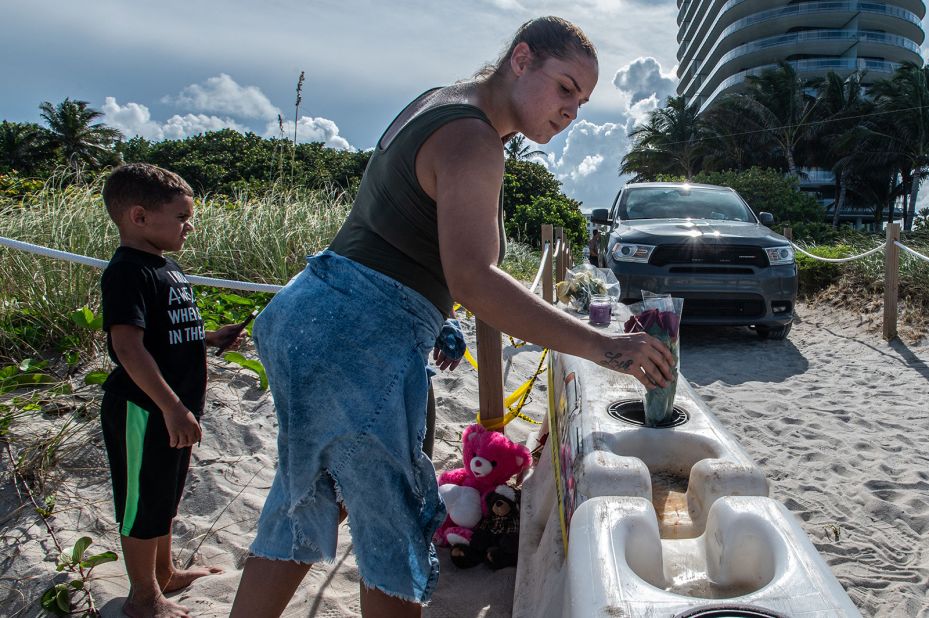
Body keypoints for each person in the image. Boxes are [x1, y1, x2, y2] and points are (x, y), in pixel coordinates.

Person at [231, 16, 675, 618]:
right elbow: (474, 278)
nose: (572, 111)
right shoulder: (474, 139)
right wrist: (604, 346)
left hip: (313, 312)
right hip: (359, 333)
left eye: (584, 100)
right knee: (394, 532)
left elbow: (421, 247)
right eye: (565, 87)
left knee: (302, 499)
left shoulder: (438, 102)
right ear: (521, 59)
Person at [100, 163, 245, 618]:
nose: (189, 226)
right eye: (181, 217)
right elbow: (127, 346)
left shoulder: (167, 267)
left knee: (165, 493)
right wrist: (171, 406)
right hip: (144, 409)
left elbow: (161, 332)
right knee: (141, 501)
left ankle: (164, 575)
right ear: (139, 217)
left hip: (173, 409)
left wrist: (209, 337)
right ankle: (143, 596)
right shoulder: (127, 271)